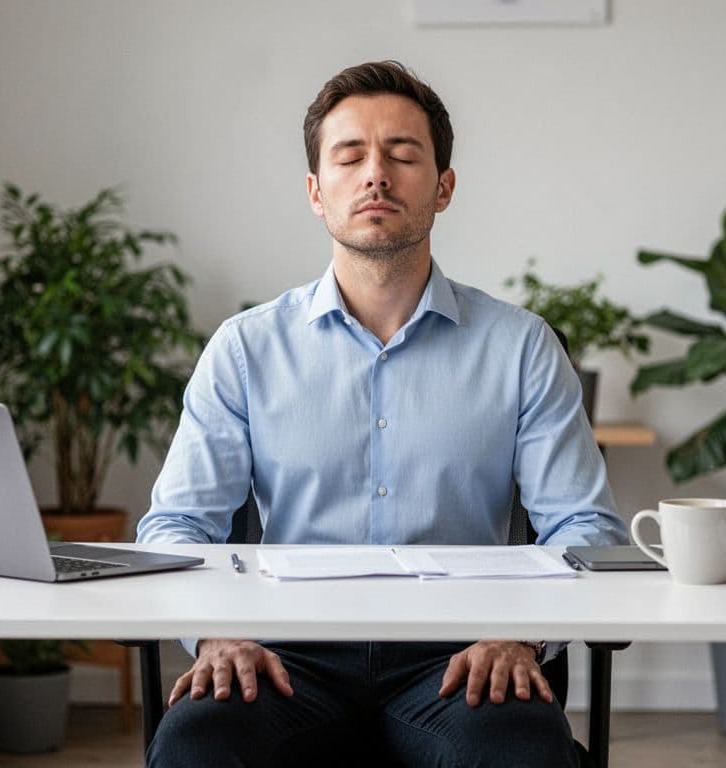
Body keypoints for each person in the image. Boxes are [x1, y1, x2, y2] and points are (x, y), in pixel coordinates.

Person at [137, 60, 628, 768]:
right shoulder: (245, 349)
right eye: (350, 156)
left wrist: (521, 637)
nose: (377, 175)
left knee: (520, 753)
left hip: (463, 661)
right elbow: (177, 526)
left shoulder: (521, 347)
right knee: (197, 747)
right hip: (283, 660)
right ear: (316, 191)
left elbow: (586, 527)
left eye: (403, 154)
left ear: (444, 186)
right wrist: (215, 635)